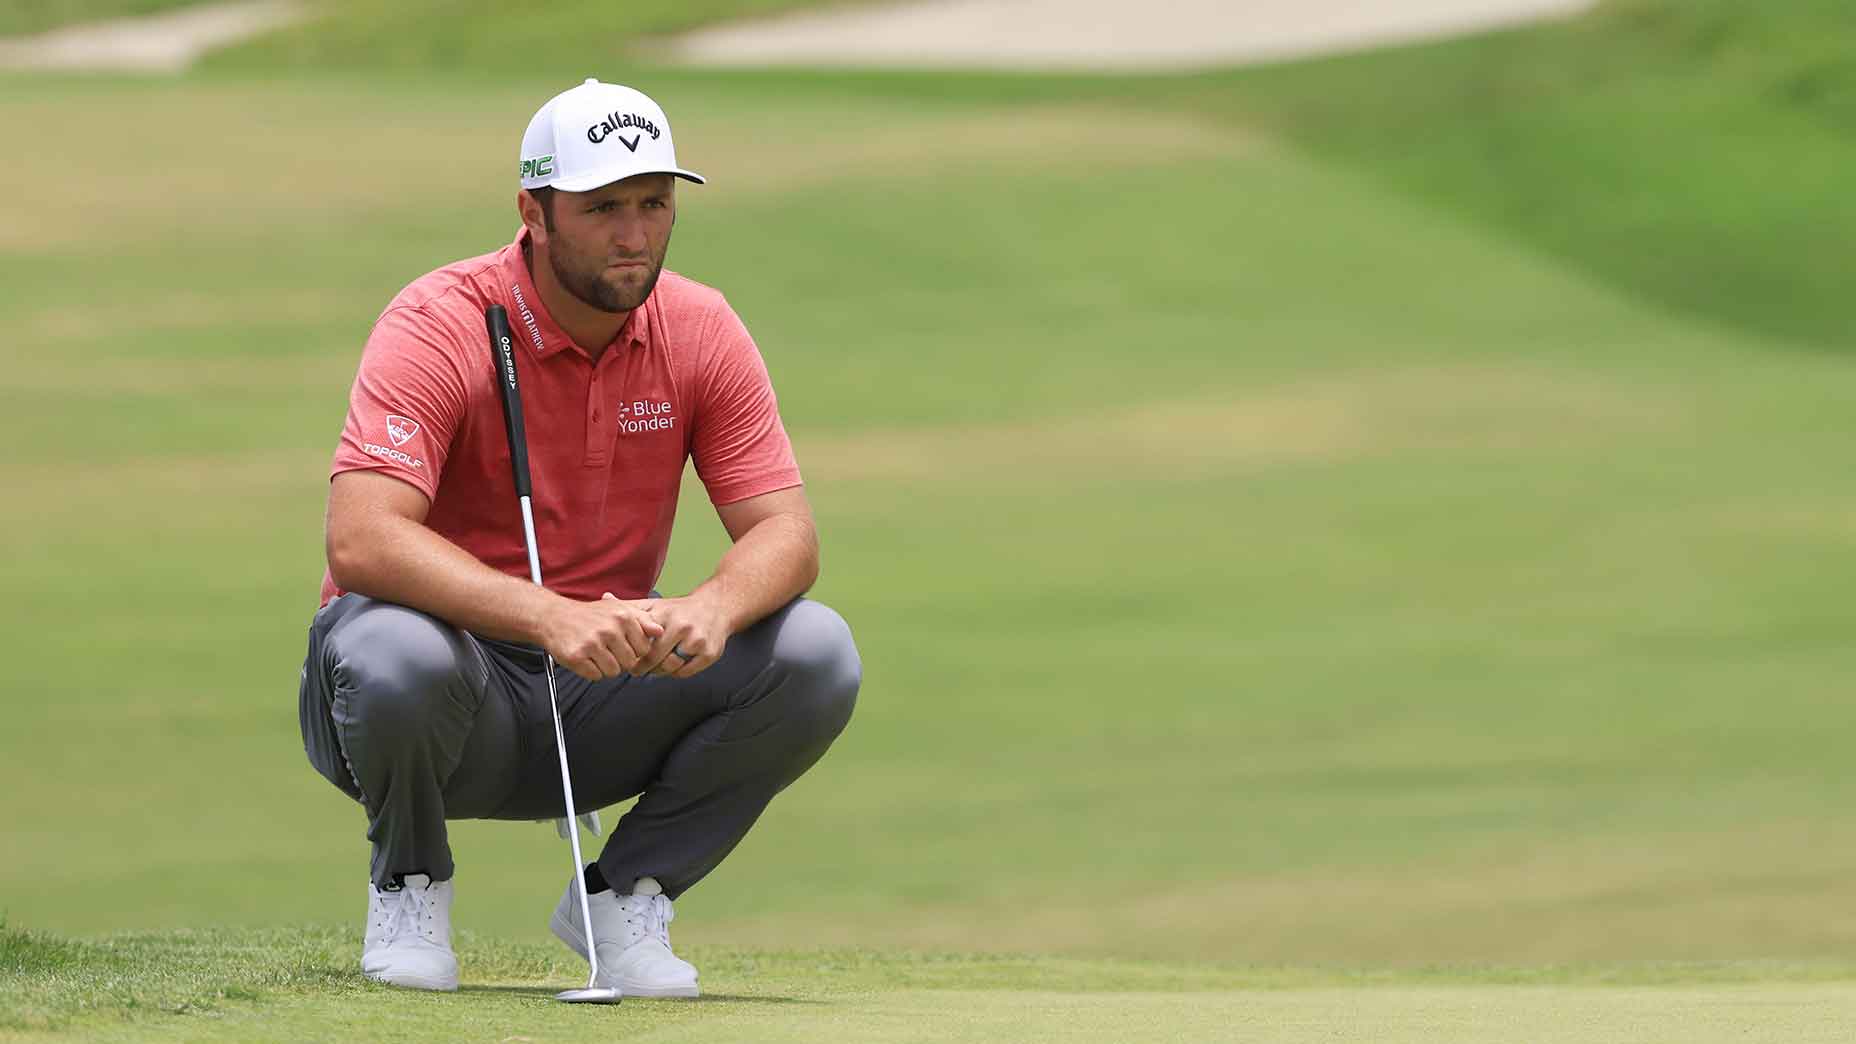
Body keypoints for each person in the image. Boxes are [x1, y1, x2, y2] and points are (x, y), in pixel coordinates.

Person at [296, 78, 860, 998]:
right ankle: (407, 882)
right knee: (393, 648)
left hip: (597, 694)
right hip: (435, 700)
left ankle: (623, 893)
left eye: (653, 203)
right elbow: (361, 541)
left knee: (814, 648)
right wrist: (548, 616)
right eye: (602, 208)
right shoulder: (441, 320)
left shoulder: (699, 326)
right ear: (535, 211)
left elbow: (786, 533)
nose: (635, 234)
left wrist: (711, 607)